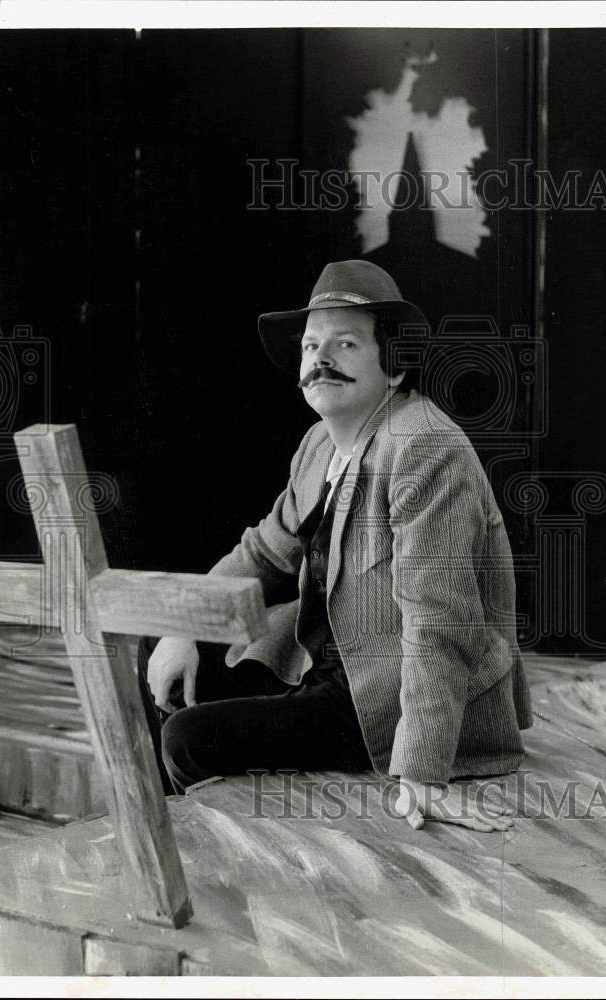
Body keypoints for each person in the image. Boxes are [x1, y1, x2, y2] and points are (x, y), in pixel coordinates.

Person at [138, 259, 532, 832]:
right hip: (324, 665)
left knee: (189, 739)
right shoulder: (319, 443)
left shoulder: (424, 449)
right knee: (163, 659)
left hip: (390, 696)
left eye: (346, 343)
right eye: (310, 345)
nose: (320, 359)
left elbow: (438, 625)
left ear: (393, 367)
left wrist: (422, 773)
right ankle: (165, 844)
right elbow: (264, 554)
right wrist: (184, 624)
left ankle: (224, 856)